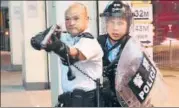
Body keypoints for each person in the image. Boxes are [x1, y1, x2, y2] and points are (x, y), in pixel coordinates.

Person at [31, 3, 103, 107]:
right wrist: (42, 37)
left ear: (86, 19)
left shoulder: (91, 42)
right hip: (68, 100)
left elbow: (72, 55)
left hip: (87, 102)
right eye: (67, 19)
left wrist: (56, 45)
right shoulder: (66, 38)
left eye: (76, 18)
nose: (71, 23)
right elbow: (39, 43)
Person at [97, 1, 133, 107]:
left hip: (124, 99)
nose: (115, 28)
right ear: (106, 23)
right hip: (101, 98)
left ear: (128, 25)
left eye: (120, 23)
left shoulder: (132, 46)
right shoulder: (98, 42)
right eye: (111, 22)